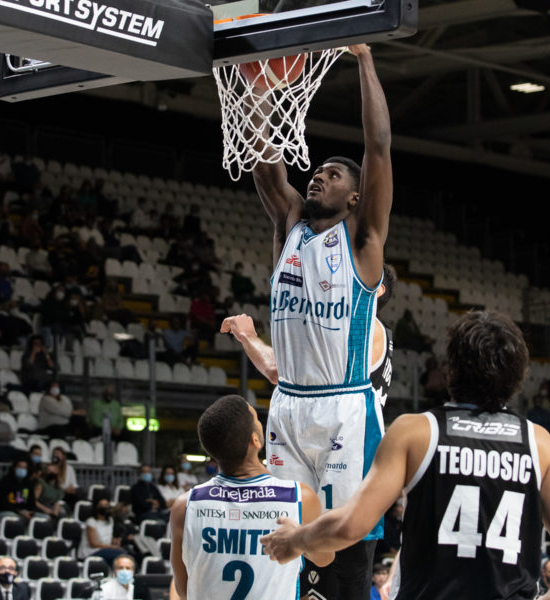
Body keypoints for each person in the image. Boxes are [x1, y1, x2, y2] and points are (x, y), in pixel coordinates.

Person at [260, 311, 550, 600]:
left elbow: (351, 526)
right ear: (519, 374)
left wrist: (297, 539)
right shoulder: (540, 443)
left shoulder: (415, 432)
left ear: (451, 369)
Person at [248, 45, 393, 598]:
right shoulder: (291, 224)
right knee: (288, 541)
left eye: (332, 175)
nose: (318, 177)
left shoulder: (363, 241)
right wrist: (260, 92)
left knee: (344, 545)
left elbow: (377, 146)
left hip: (343, 410)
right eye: (316, 171)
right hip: (287, 403)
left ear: (355, 196)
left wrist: (364, 62)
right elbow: (266, 166)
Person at [169, 395, 333, 599]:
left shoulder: (185, 506)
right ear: (255, 440)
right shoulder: (300, 497)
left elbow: (184, 590)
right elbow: (325, 558)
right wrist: (300, 538)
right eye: (256, 419)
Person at [221, 263, 397, 406]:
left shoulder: (356, 327)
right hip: (357, 440)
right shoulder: (379, 331)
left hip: (343, 442)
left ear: (377, 290)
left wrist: (248, 335)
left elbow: (277, 371)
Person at [78, 498, 125, 565]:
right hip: (91, 552)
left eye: (106, 505)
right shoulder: (91, 521)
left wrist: (115, 541)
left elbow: (107, 538)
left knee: (122, 556)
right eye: (102, 505)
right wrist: (112, 547)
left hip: (106, 550)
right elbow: (93, 544)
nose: (105, 507)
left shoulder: (110, 520)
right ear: (97, 508)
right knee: (120, 554)